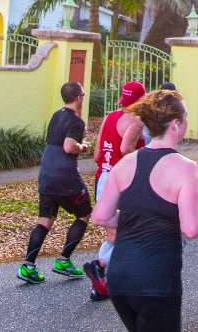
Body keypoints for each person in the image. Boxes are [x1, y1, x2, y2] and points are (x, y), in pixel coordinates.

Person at [92, 90, 198, 331]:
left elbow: (100, 216)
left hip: (120, 279)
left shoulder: (125, 163)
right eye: (185, 117)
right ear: (175, 124)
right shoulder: (185, 168)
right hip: (156, 280)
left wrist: (136, 216)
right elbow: (192, 228)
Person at [19, 82, 92, 283]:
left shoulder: (56, 115)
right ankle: (64, 260)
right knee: (84, 214)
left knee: (45, 219)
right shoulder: (76, 121)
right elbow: (69, 147)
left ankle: (28, 266)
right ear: (78, 98)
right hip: (66, 177)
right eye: (83, 95)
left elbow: (60, 138)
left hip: (47, 174)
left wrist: (78, 136)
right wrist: (83, 147)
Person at [85, 82, 147, 301]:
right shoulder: (137, 121)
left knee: (112, 233)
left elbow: (97, 154)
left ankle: (100, 286)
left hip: (103, 177)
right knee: (134, 227)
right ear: (141, 100)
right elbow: (125, 149)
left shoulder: (109, 117)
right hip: (121, 181)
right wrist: (143, 162)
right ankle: (101, 267)